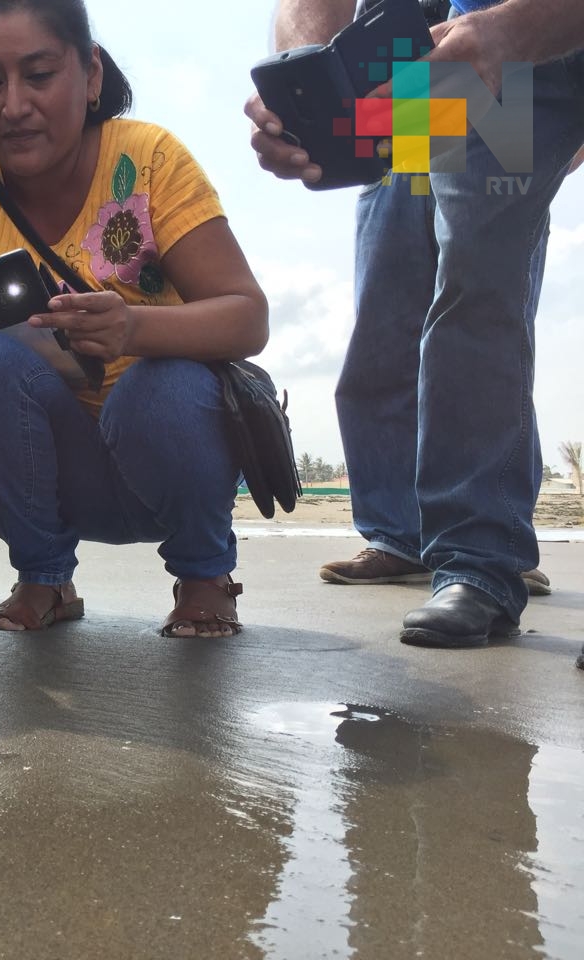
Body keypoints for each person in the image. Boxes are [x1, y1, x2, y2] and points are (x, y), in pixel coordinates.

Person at [0, 0, 269, 635]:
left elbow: (247, 316)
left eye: (39, 74)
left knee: (159, 384)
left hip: (166, 450)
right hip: (50, 468)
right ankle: (44, 578)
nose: (13, 105)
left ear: (91, 74)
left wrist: (133, 328)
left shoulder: (150, 159)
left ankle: (205, 577)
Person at [246, 0, 584, 647]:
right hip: (454, 63)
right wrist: (313, 90)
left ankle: (480, 551)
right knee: (414, 306)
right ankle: (435, 547)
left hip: (505, 38)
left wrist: (516, 32)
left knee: (481, 285)